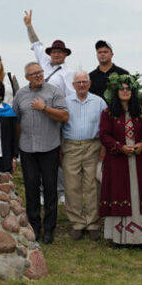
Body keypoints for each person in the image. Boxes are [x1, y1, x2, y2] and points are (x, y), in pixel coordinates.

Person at [99, 76, 142, 246]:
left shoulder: (139, 114)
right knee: (120, 193)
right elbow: (103, 134)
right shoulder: (107, 113)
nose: (125, 92)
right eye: (122, 89)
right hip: (118, 162)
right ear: (116, 92)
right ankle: (120, 238)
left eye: (128, 89)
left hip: (139, 162)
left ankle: (140, 238)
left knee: (138, 194)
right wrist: (119, 147)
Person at [13, 62, 69, 244]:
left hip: (49, 147)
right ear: (27, 77)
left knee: (51, 188)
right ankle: (34, 227)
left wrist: (45, 108)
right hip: (28, 148)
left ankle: (49, 229)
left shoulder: (54, 92)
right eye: (33, 73)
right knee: (31, 188)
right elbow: (16, 120)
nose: (38, 75)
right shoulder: (20, 94)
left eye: (40, 72)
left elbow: (64, 116)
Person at [62, 72, 107, 241]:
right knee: (72, 185)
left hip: (92, 146)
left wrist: (103, 148)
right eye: (78, 82)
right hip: (71, 146)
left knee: (92, 186)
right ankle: (77, 224)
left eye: (84, 82)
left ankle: (93, 224)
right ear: (73, 85)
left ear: (89, 84)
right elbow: (59, 126)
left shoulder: (99, 102)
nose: (81, 85)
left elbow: (105, 127)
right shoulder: (65, 102)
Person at [23, 10, 74, 96]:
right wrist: (29, 26)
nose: (56, 54)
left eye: (59, 52)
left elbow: (71, 96)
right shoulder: (44, 61)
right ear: (50, 54)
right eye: (54, 52)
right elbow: (36, 43)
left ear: (65, 54)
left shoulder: (69, 73)